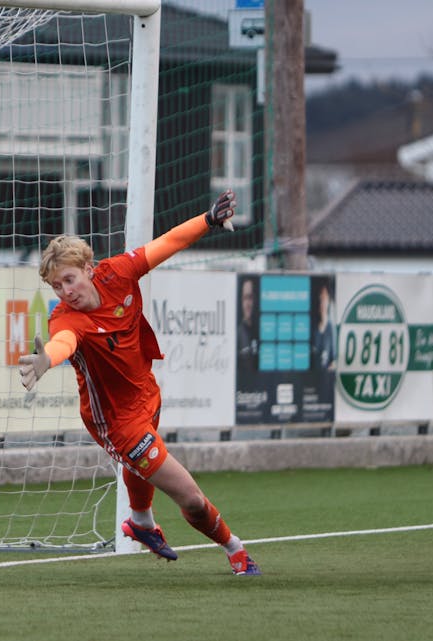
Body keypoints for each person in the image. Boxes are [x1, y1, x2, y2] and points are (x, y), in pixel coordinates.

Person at [18, 190, 260, 575]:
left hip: (147, 392)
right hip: (117, 422)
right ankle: (237, 550)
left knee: (143, 470)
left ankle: (141, 522)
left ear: (89, 268)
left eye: (69, 280)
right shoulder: (65, 319)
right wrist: (47, 359)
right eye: (57, 287)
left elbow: (166, 244)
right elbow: (62, 342)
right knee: (191, 498)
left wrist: (208, 219)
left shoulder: (118, 272)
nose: (66, 292)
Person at [237, 276, 258, 371]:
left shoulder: (259, 331)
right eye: (245, 298)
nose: (248, 304)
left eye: (250, 298)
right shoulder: (239, 334)